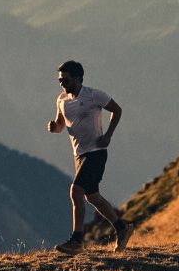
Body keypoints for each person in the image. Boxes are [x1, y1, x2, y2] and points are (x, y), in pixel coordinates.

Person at [46, 60, 130, 254]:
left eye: (65, 80)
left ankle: (76, 241)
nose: (62, 84)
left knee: (75, 191)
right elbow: (60, 125)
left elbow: (117, 110)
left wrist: (108, 135)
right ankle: (122, 228)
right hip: (80, 155)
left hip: (96, 153)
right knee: (92, 197)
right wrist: (54, 127)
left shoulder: (94, 95)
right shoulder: (61, 100)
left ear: (77, 78)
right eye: (60, 81)